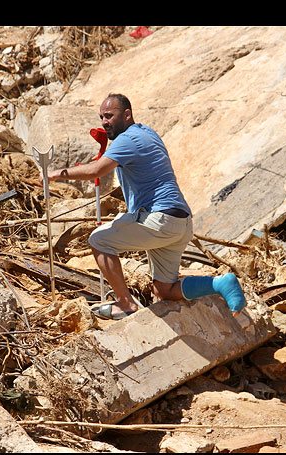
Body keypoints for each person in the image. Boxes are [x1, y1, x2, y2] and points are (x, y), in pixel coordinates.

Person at [45, 93, 246, 319]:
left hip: (158, 219)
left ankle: (125, 303)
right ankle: (221, 284)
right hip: (180, 222)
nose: (104, 122)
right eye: (101, 117)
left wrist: (54, 174)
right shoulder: (147, 133)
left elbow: (96, 171)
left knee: (99, 241)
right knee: (164, 290)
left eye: (109, 116)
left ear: (127, 114)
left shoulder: (127, 139)